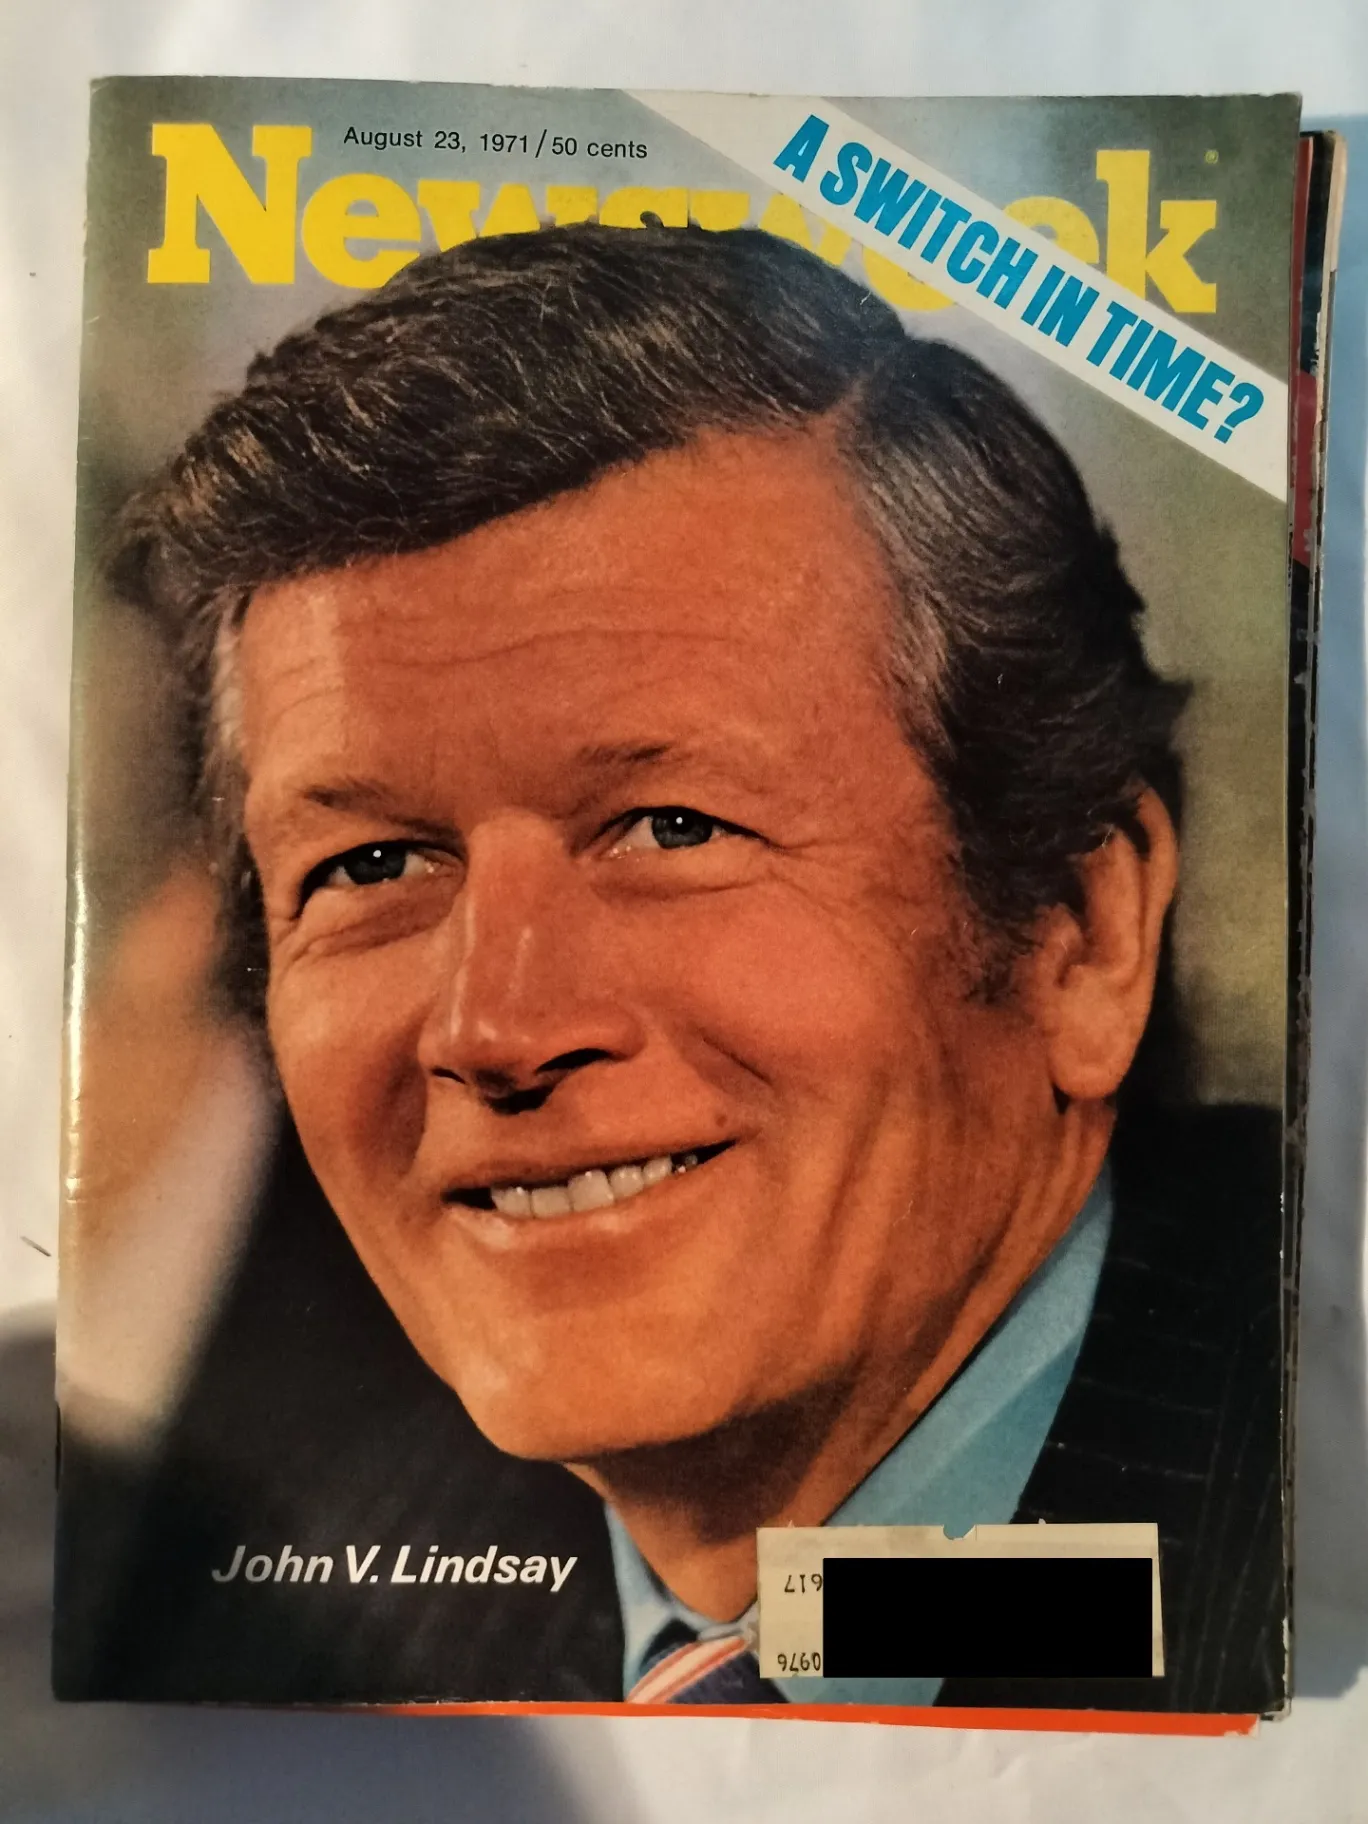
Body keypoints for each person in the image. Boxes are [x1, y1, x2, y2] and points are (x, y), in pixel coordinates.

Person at [86, 224, 1284, 1713]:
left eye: (672, 828)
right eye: (374, 866)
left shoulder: (1313, 1480)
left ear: (1079, 929)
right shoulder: (311, 1621)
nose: (495, 1025)